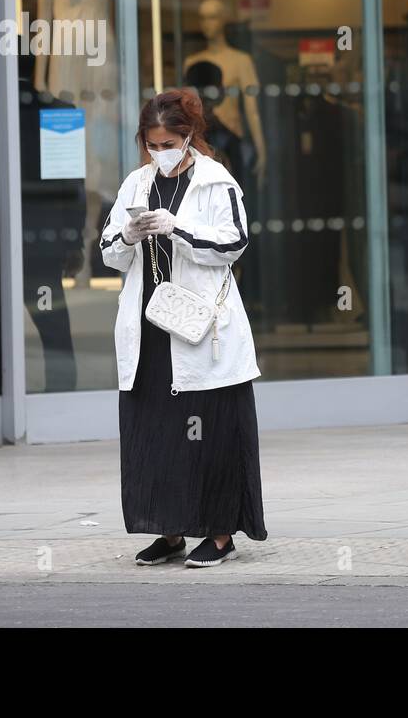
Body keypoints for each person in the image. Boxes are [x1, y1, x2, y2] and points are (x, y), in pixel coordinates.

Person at [100, 89, 265, 568]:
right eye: (152, 143)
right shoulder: (135, 183)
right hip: (149, 328)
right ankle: (167, 530)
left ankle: (218, 535)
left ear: (189, 135)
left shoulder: (216, 182)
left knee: (210, 429)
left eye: (169, 141)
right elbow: (109, 252)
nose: (160, 151)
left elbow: (233, 244)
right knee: (152, 431)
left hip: (200, 328)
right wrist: (128, 235)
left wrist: (178, 229)